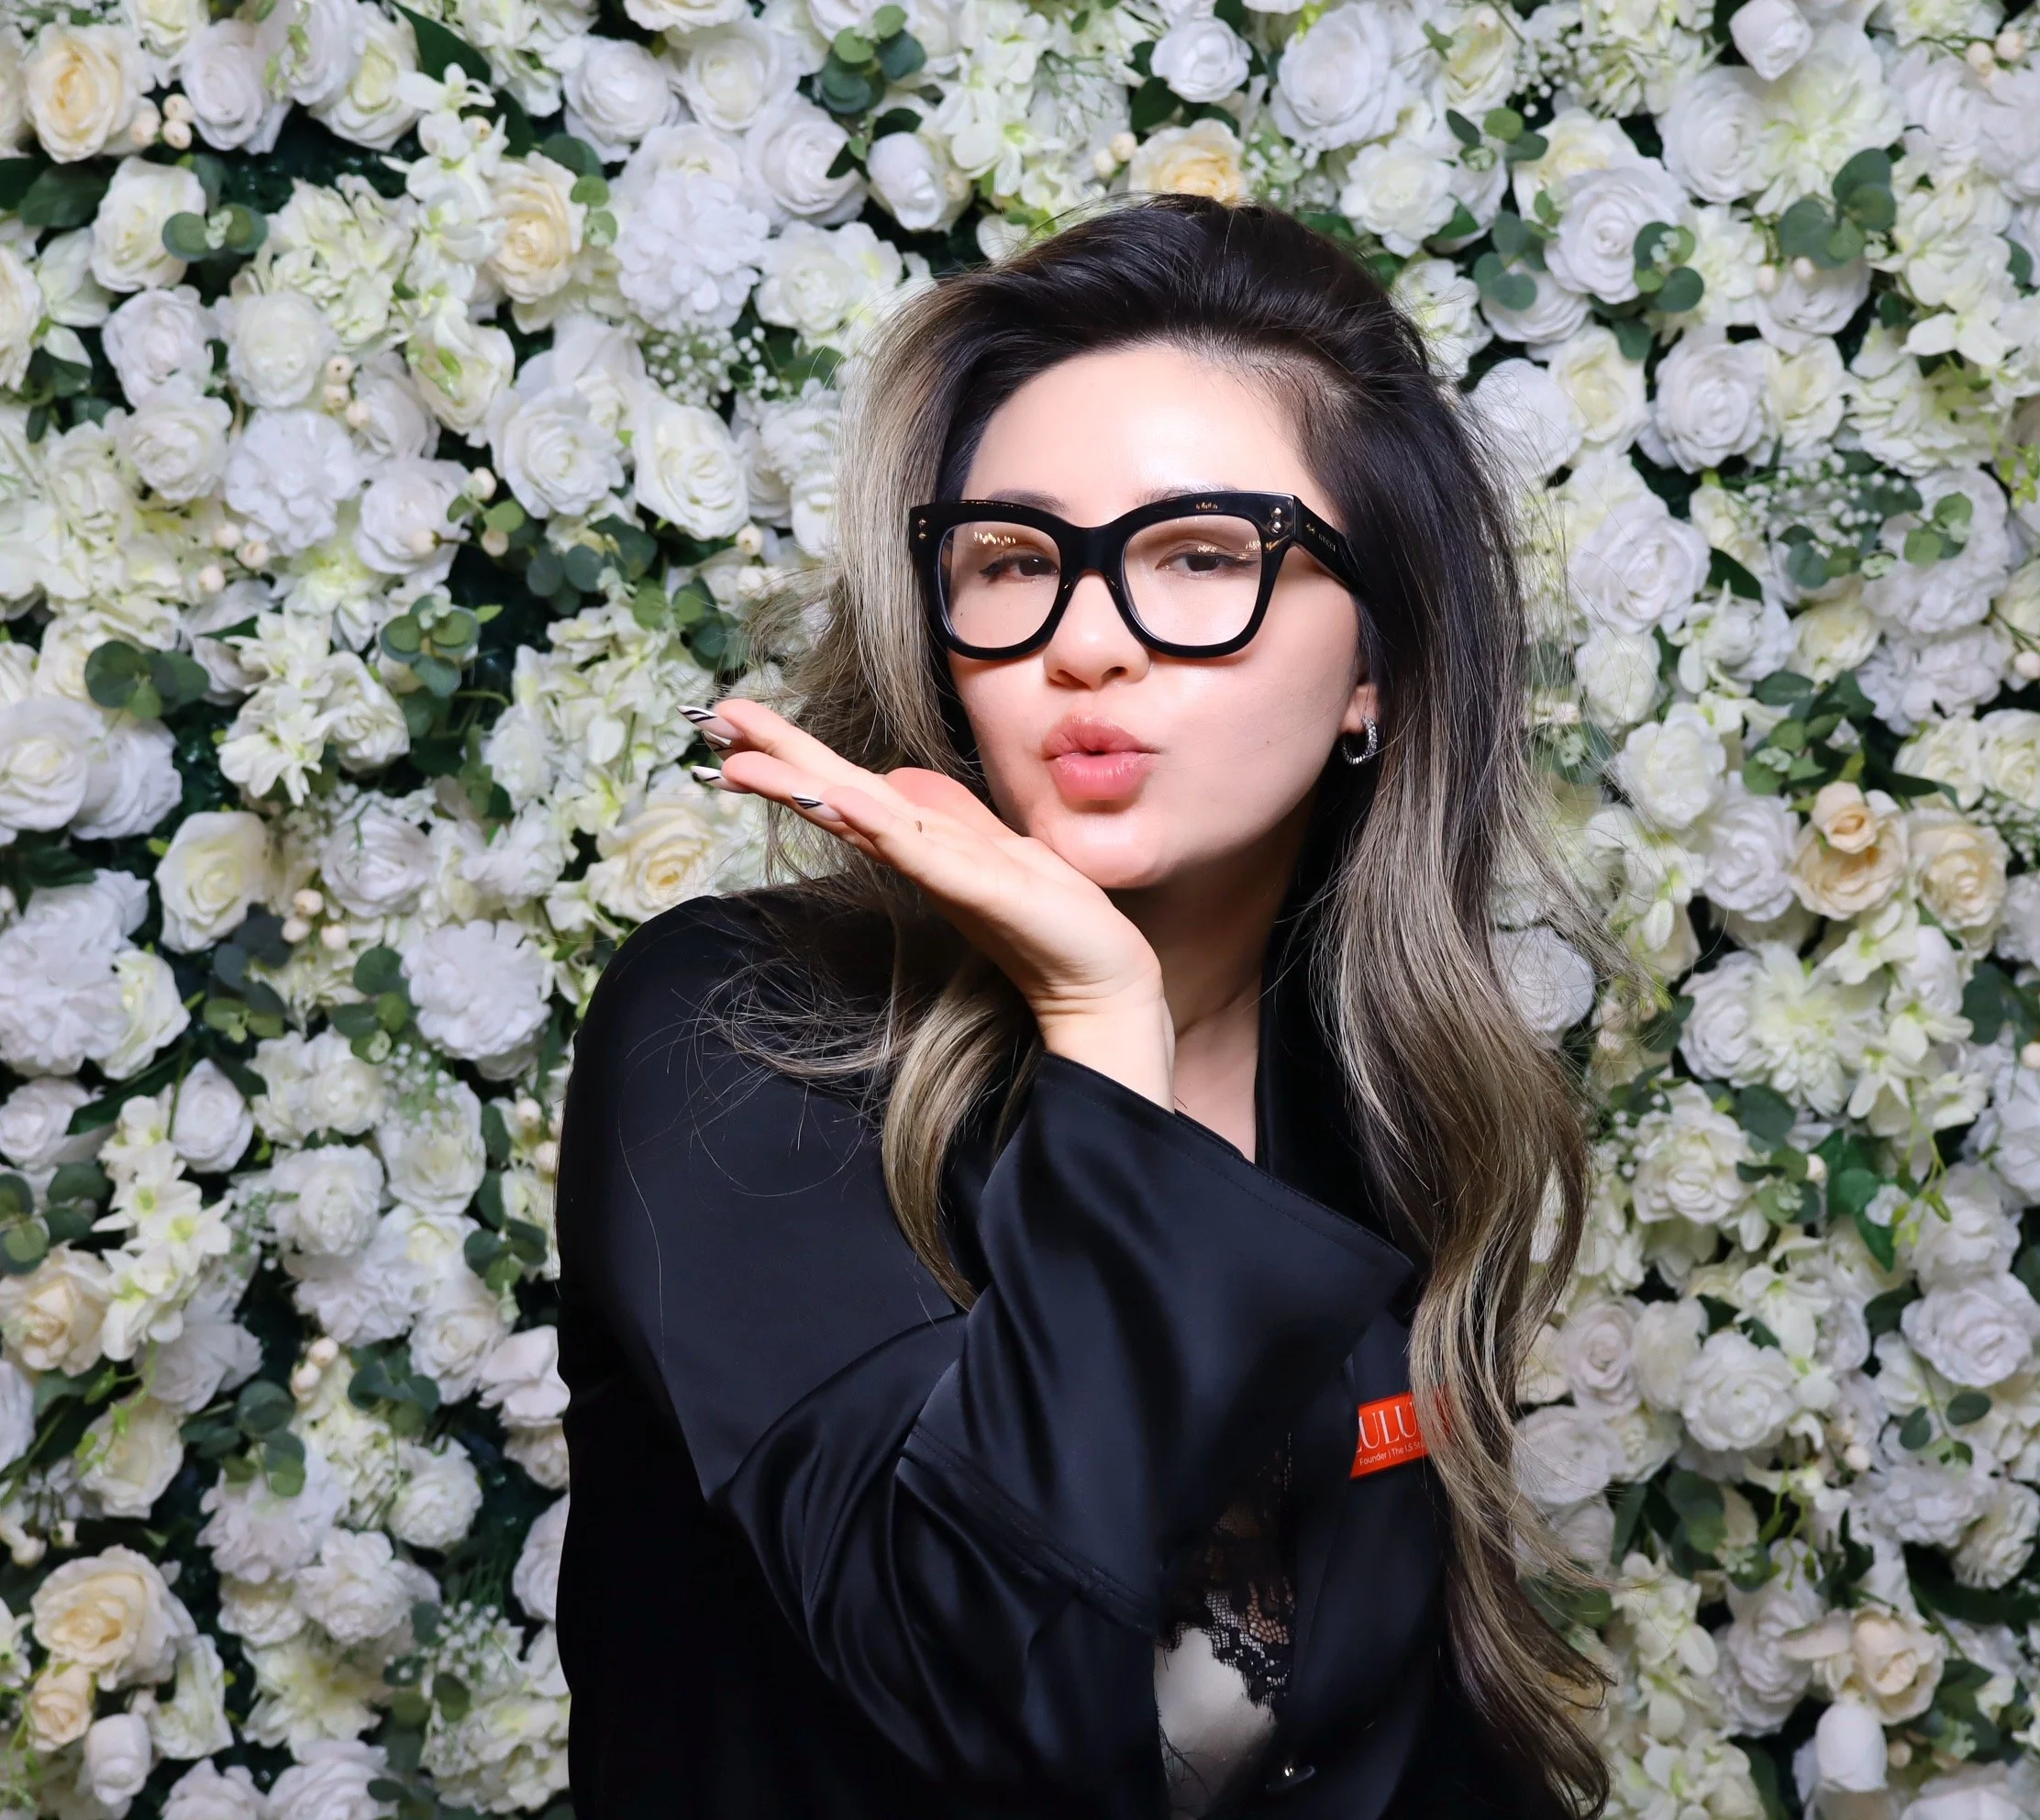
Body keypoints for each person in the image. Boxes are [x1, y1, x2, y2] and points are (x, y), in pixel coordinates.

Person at [554, 194, 1615, 1820]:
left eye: (1204, 558)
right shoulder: (741, 1031)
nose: (1089, 642)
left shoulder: (1381, 1101)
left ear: (1374, 670)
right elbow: (985, 1692)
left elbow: (1412, 1754)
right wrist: (1103, 1032)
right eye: (1016, 561)